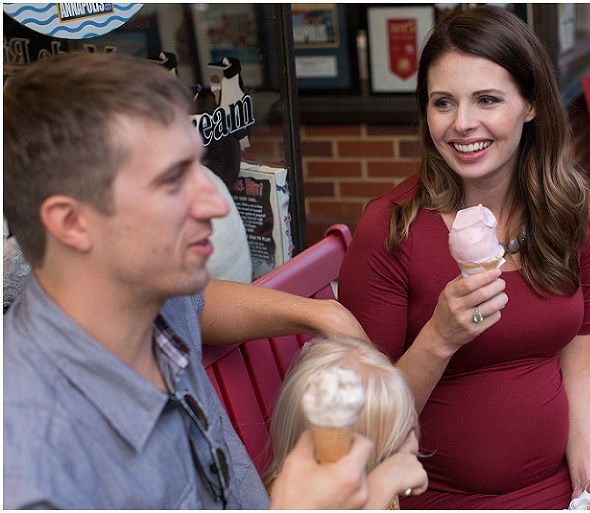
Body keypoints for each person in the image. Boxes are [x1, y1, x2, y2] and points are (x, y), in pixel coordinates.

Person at [337, 5, 590, 510]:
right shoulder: (392, 229)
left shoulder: (570, 210)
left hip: (570, 463)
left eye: (486, 99)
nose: (462, 124)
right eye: (442, 102)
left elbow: (580, 367)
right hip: (448, 494)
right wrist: (439, 338)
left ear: (531, 105)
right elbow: (365, 426)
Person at [4, 51, 378, 510]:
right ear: (71, 222)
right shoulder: (31, 471)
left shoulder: (152, 299)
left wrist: (323, 312)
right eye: (172, 179)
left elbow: (202, 302)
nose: (217, 204)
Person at [263, 335, 429, 509]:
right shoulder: (292, 501)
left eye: (410, 429)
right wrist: (382, 487)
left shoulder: (384, 478)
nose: (412, 448)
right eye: (390, 452)